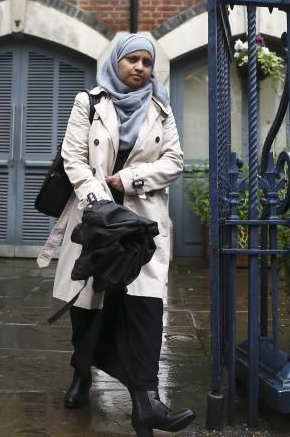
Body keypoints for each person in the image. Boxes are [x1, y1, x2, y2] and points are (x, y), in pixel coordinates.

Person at [36, 34, 196, 436]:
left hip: (141, 227)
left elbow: (174, 161)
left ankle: (147, 403)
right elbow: (73, 157)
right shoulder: (88, 102)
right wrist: (100, 197)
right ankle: (81, 375)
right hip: (95, 221)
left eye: (146, 61)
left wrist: (127, 180)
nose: (139, 67)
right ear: (117, 62)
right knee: (87, 308)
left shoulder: (160, 109)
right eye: (132, 60)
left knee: (144, 311)